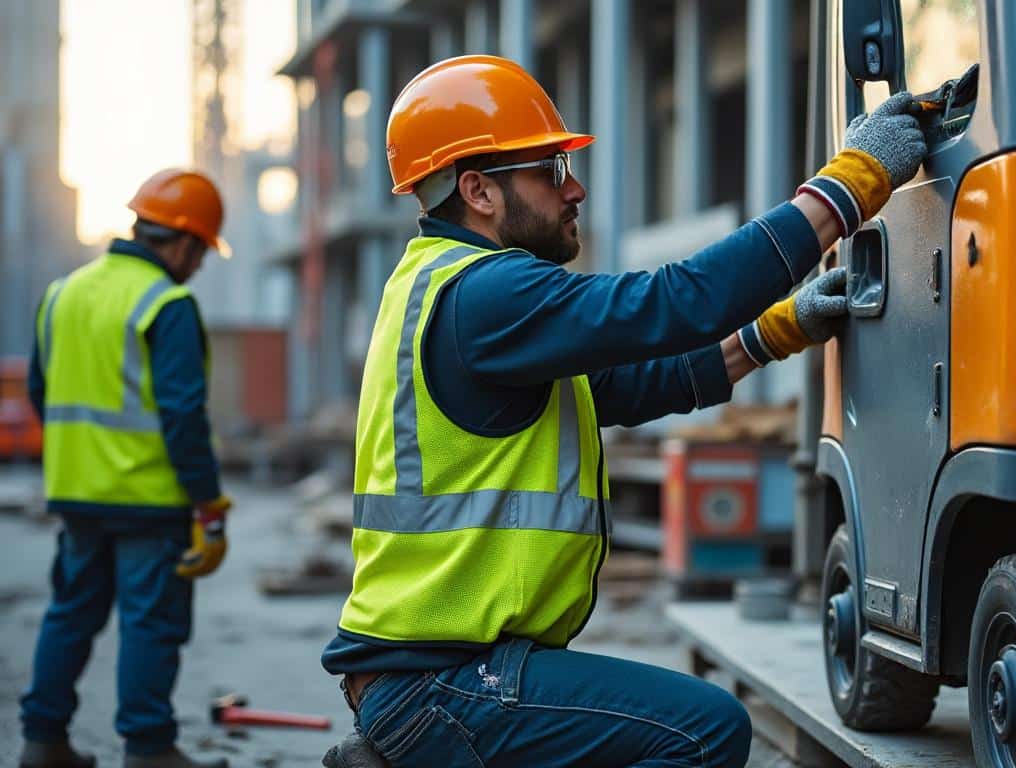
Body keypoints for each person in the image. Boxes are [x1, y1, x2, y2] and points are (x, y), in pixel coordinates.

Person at [321, 55, 926, 768]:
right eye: (549, 171)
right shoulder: (489, 295)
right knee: (705, 729)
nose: (573, 188)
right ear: (478, 190)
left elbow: (632, 384)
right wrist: (852, 184)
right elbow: (678, 302)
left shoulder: (437, 289)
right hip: (444, 684)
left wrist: (778, 330)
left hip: (429, 676)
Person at [19, 170, 235, 768]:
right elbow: (183, 416)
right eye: (202, 255)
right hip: (148, 497)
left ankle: (43, 742)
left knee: (70, 614)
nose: (198, 268)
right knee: (150, 622)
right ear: (187, 243)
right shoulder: (166, 304)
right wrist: (209, 504)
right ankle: (147, 747)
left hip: (76, 493)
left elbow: (43, 392)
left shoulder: (64, 293)